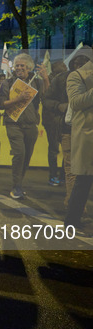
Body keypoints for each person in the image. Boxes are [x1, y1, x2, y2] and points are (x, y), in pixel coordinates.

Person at [45, 47, 93, 209]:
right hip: (68, 130)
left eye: (84, 63)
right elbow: (47, 100)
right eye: (76, 63)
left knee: (84, 173)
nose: (78, 66)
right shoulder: (62, 79)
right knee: (73, 169)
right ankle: (75, 207)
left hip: (88, 131)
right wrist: (59, 106)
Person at [0, 53, 49, 199]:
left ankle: (19, 183)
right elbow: (2, 104)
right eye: (17, 65)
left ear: (29, 68)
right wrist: (18, 99)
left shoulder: (37, 82)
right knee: (19, 154)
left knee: (26, 157)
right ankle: (16, 186)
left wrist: (45, 78)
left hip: (31, 125)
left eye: (22, 66)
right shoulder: (7, 83)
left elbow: (46, 97)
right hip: (13, 123)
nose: (19, 68)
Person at [65, 48, 93, 234]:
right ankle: (72, 220)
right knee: (84, 180)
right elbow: (76, 101)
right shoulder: (77, 76)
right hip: (87, 135)